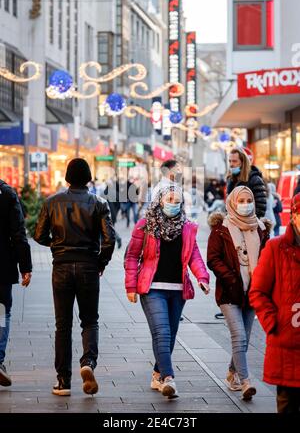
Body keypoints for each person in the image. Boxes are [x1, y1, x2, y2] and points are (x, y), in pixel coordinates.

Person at [34, 158, 116, 396]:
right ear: (89, 178)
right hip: (89, 266)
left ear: (68, 178)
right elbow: (109, 239)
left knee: (63, 325)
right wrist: (101, 262)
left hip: (61, 266)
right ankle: (88, 363)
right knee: (90, 320)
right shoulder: (99, 203)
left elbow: (38, 234)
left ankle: (63, 382)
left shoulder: (51, 202)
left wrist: (55, 245)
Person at [124, 185, 210, 399]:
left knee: (170, 335)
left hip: (178, 290)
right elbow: (132, 256)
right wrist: (131, 286)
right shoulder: (145, 225)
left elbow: (194, 256)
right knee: (162, 332)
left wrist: (202, 277)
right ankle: (168, 378)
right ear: (160, 200)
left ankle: (157, 374)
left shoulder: (188, 228)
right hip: (152, 288)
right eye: (170, 197)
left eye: (177, 199)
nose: (174, 202)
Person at [207, 186, 270, 400]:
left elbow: (268, 260)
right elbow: (213, 258)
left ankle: (232, 373)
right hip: (229, 293)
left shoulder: (261, 228)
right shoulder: (221, 229)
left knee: (245, 338)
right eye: (241, 201)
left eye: (248, 200)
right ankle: (245, 382)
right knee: (239, 336)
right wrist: (232, 278)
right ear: (233, 202)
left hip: (252, 293)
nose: (245, 205)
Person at [249, 192, 300, 414]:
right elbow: (258, 291)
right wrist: (274, 323)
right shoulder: (275, 248)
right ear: (295, 216)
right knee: (287, 404)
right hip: (286, 345)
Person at [0, 179, 32, 387]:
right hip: (2, 265)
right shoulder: (8, 194)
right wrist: (25, 267)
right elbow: (18, 233)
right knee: (2, 310)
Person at [227, 148, 267, 218]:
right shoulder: (231, 179)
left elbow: (261, 207)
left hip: (249, 224)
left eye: (234, 161)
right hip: (233, 222)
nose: (231, 164)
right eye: (230, 161)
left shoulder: (254, 179)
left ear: (243, 162)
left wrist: (248, 222)